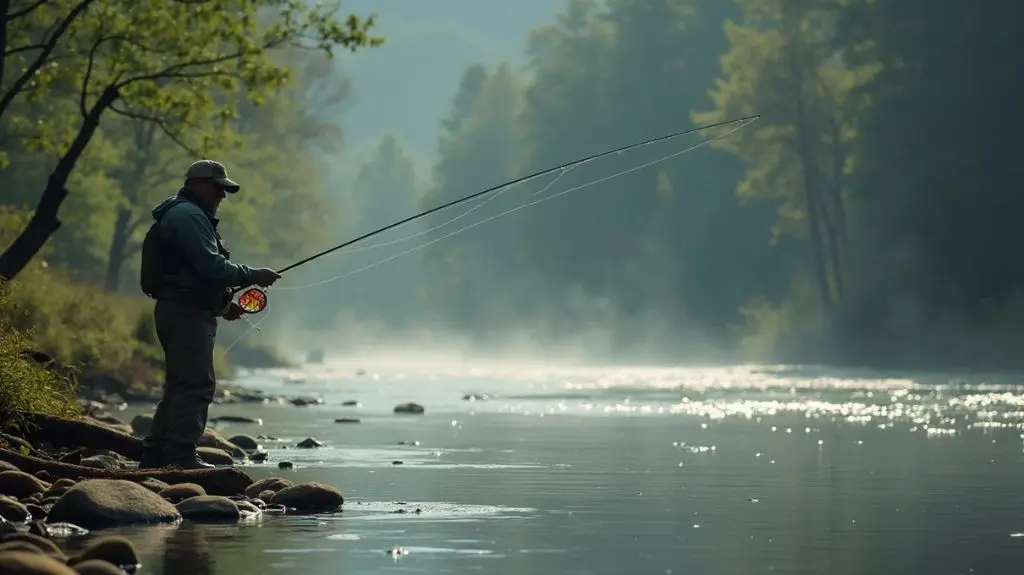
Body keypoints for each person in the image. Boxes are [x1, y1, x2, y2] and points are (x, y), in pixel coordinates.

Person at [138, 159, 281, 470]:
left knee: (178, 386)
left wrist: (223, 306)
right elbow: (211, 266)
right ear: (199, 183)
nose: (223, 196)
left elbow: (190, 272)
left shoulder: (182, 213)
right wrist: (253, 275)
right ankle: (181, 458)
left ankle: (154, 456)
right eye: (219, 188)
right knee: (195, 385)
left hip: (181, 309)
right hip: (185, 314)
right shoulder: (189, 215)